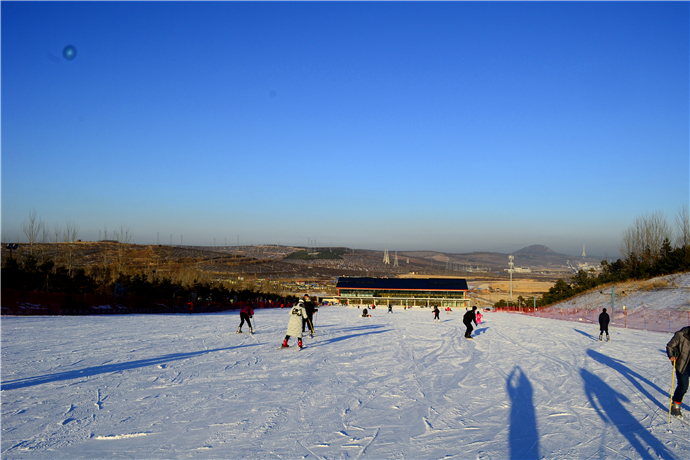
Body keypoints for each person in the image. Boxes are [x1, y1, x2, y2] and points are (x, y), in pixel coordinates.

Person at [667, 326, 690, 417]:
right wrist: (672, 355)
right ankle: (676, 405)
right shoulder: (681, 335)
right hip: (682, 364)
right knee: (683, 386)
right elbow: (670, 346)